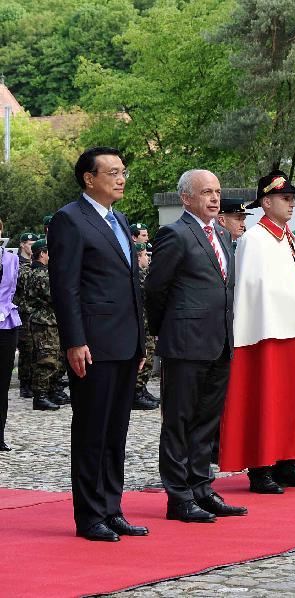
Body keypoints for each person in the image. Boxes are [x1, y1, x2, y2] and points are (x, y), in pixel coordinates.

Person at [48, 146, 148, 542]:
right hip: (93, 343)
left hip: (125, 342)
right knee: (92, 431)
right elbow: (65, 286)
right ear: (90, 178)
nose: (121, 178)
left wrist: (140, 341)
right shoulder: (70, 220)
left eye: (123, 171)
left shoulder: (119, 219)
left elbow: (130, 285)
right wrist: (74, 341)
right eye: (112, 172)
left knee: (115, 432)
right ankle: (90, 515)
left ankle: (112, 507)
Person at [218, 169, 295, 494]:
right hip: (265, 334)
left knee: (294, 401)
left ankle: (287, 463)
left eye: (292, 198)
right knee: (267, 399)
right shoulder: (255, 240)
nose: (292, 204)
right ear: (266, 202)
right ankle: (261, 467)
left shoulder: (290, 238)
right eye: (286, 197)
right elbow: (251, 293)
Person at [145, 169, 246, 523]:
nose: (215, 199)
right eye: (206, 192)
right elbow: (156, 290)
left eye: (217, 191)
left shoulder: (221, 232)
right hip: (186, 343)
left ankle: (202, 488)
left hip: (219, 341)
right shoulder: (174, 234)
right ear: (186, 198)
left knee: (207, 422)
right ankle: (179, 496)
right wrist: (167, 330)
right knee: (179, 422)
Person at [24, 239, 69, 410]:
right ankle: (40, 396)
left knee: (54, 358)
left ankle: (50, 390)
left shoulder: (43, 272)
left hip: (50, 321)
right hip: (44, 322)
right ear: (42, 254)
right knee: (46, 359)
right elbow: (55, 295)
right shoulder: (40, 274)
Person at [0, 217, 21, 450]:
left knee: (2, 383)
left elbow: (14, 289)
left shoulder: (11, 258)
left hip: (6, 323)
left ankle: (0, 434)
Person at [131, 243, 157, 410]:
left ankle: (141, 389)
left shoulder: (143, 274)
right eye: (145, 255)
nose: (148, 258)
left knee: (148, 356)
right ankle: (135, 393)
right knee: (144, 357)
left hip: (146, 322)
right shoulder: (138, 275)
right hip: (141, 323)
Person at [15, 232, 38, 399]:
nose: (32, 247)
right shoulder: (17, 263)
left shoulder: (35, 263)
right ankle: (25, 383)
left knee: (37, 349)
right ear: (22, 245)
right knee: (26, 349)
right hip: (23, 312)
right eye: (30, 244)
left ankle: (35, 382)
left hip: (35, 312)